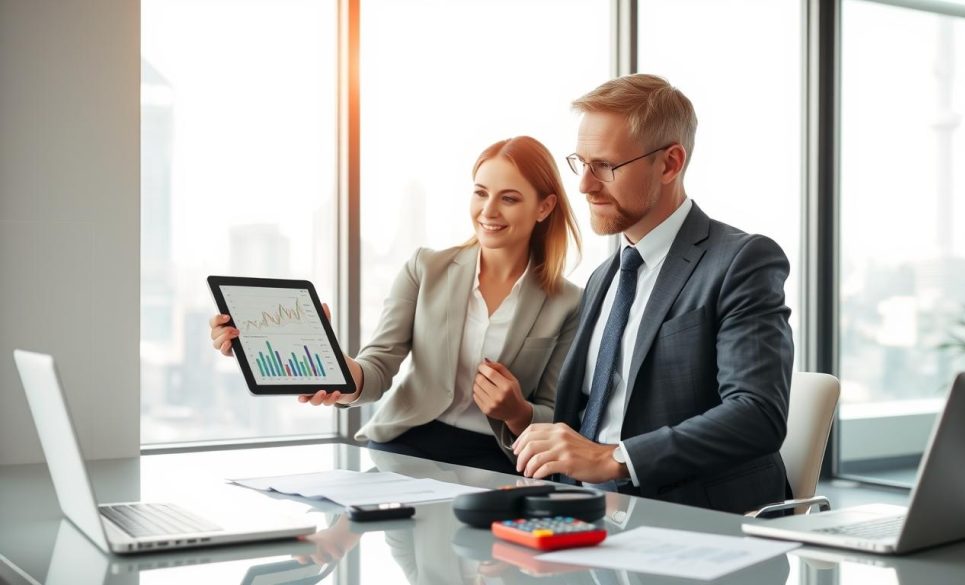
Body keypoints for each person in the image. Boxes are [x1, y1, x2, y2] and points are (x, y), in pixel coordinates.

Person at [210, 136, 582, 474]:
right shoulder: (426, 268)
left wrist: (517, 412)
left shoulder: (567, 303)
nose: (489, 210)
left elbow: (556, 418)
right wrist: (332, 368)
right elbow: (377, 369)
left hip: (499, 460)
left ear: (544, 207)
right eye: (481, 193)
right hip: (406, 446)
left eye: (509, 198)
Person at [512, 74, 794, 514]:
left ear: (669, 164)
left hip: (688, 518)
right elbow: (586, 417)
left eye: (604, 166)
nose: (584, 186)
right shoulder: (604, 277)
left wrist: (614, 459)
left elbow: (757, 414)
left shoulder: (741, 261)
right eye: (580, 163)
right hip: (580, 512)